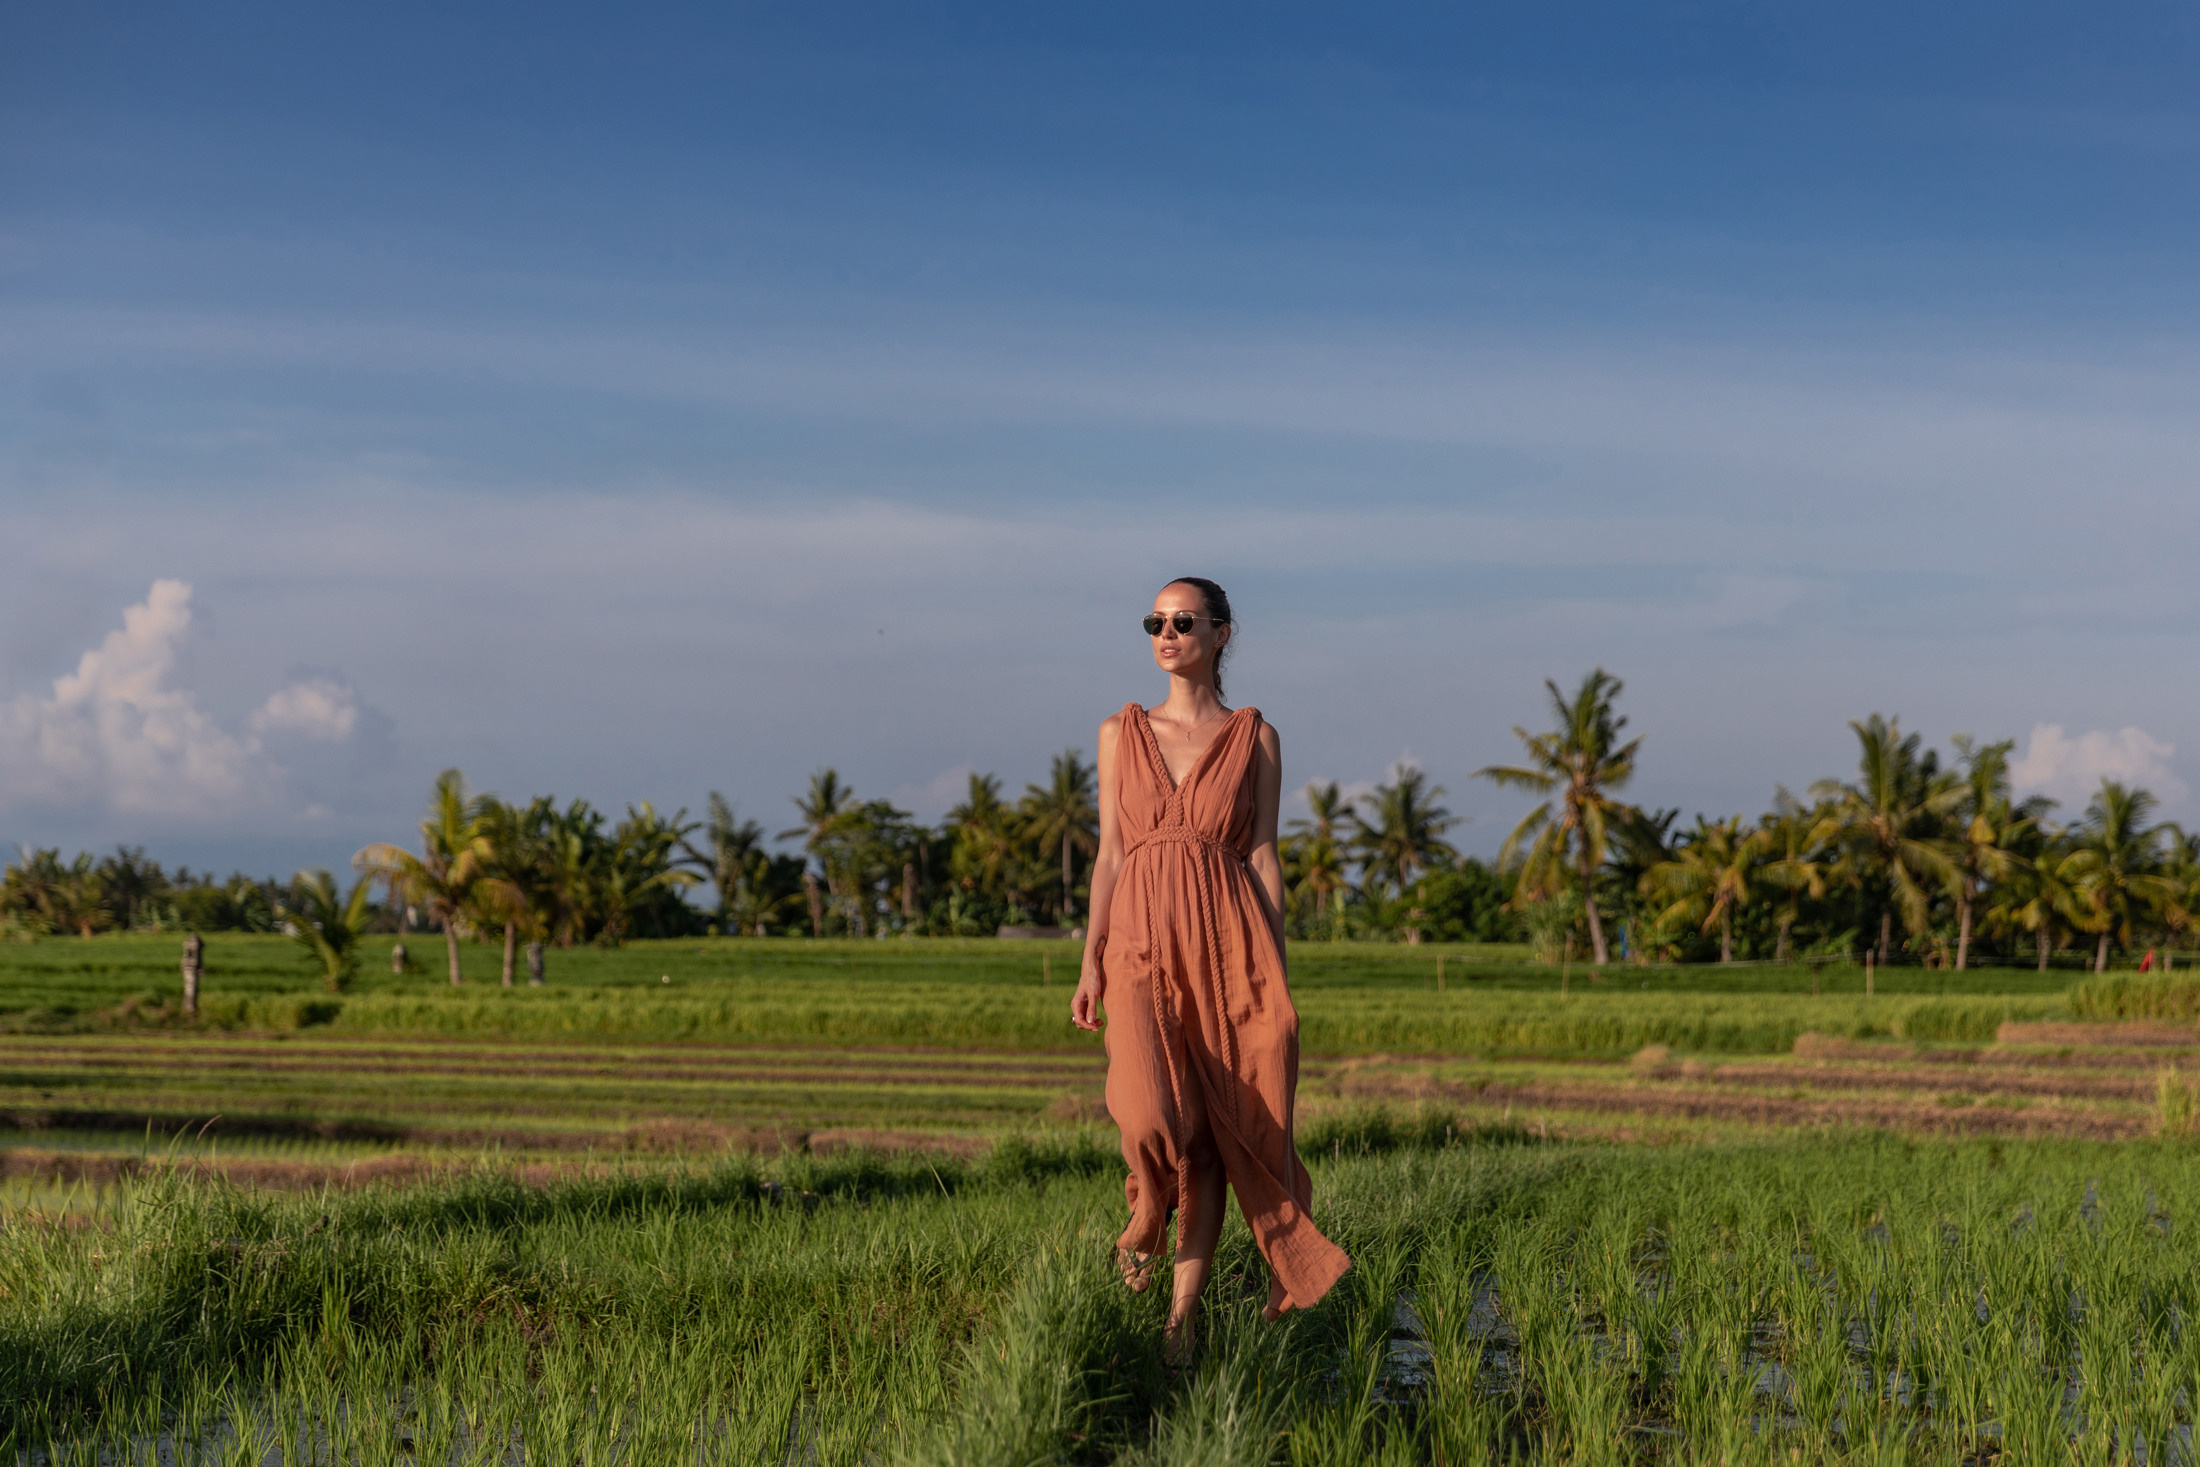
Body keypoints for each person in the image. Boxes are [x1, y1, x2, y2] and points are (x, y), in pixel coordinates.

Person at [1071, 577, 1350, 1359]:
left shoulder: (1256, 736)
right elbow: (1111, 854)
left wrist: (1275, 967)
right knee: (1152, 1114)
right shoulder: (1118, 732)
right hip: (1137, 942)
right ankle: (1144, 1219)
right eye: (1155, 621)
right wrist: (1090, 960)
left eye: (1183, 620)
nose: (1166, 632)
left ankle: (1181, 1320)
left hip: (1231, 948)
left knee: (1220, 1131)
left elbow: (1262, 853)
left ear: (1222, 634)